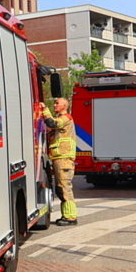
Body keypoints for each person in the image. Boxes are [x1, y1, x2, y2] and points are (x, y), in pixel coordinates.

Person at [40, 97, 77, 226]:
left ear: (65, 106)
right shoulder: (62, 118)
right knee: (60, 188)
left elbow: (52, 123)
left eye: (57, 103)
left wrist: (44, 109)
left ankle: (70, 217)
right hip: (59, 157)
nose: (54, 105)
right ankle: (67, 215)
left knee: (64, 188)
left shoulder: (66, 118)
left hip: (64, 158)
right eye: (54, 103)